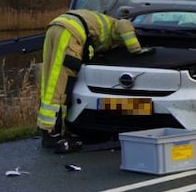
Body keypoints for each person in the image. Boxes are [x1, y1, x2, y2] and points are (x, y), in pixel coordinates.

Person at [37, 10, 151, 153]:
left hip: (56, 27)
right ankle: (54, 133)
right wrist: (136, 49)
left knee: (49, 79)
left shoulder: (101, 22)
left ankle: (45, 127)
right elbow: (123, 25)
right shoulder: (119, 23)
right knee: (61, 84)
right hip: (70, 33)